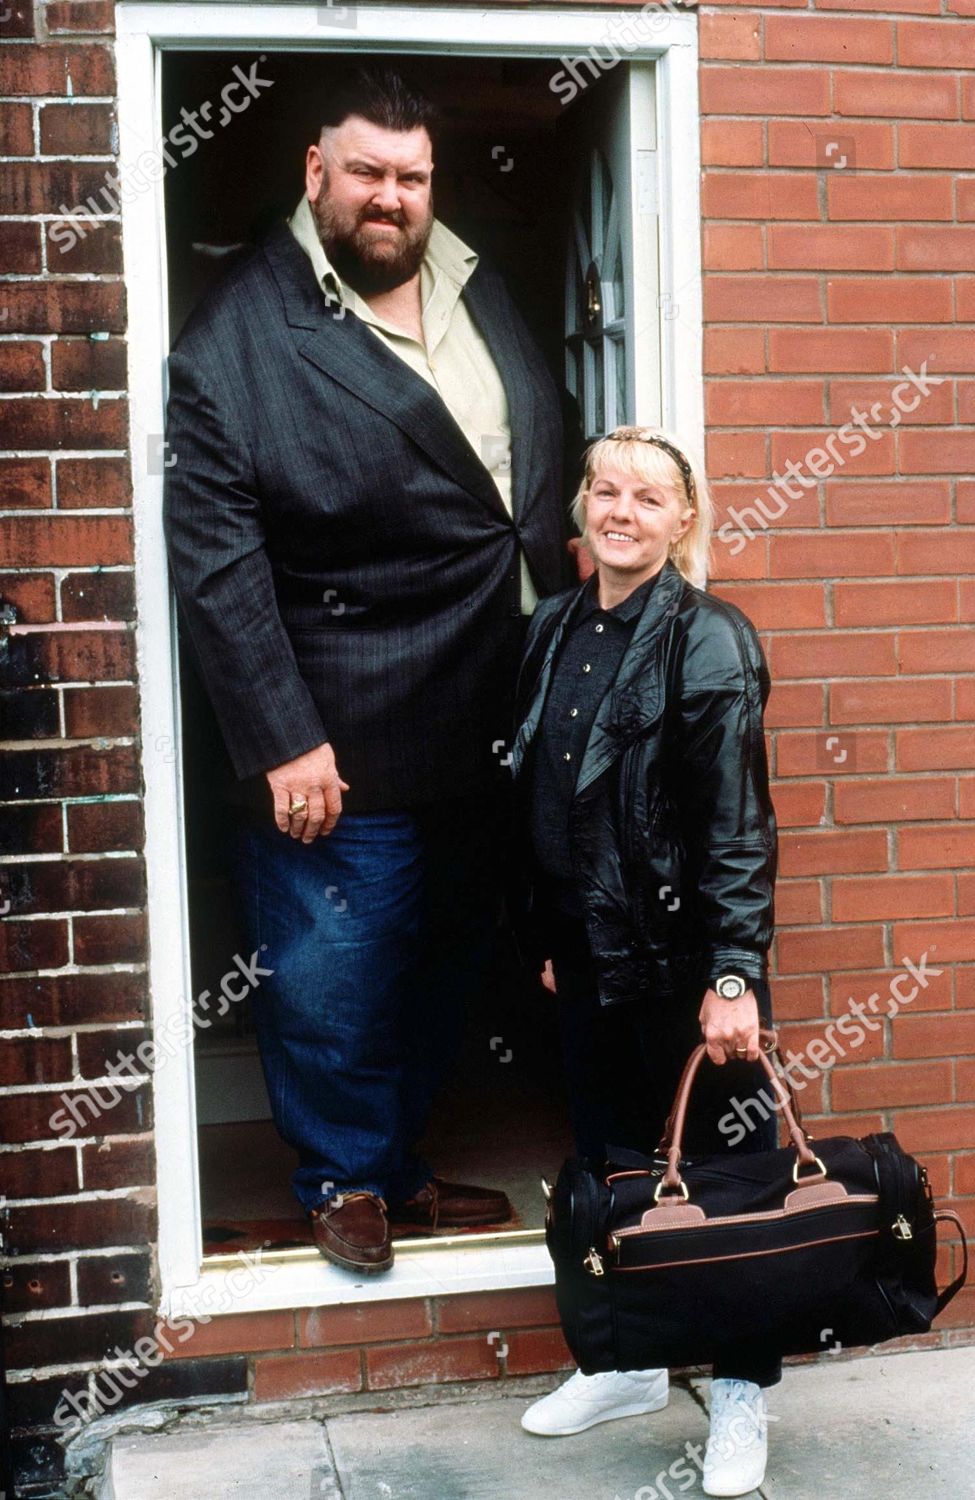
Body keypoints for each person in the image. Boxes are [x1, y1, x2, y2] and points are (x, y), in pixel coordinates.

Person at [163, 66, 575, 1273]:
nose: (392, 199)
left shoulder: (469, 275)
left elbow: (508, 473)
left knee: (447, 956)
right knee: (335, 977)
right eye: (367, 174)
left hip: (486, 700)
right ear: (315, 173)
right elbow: (218, 559)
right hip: (339, 726)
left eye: (411, 177)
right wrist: (283, 737)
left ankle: (398, 1167)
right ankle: (341, 1176)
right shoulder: (239, 331)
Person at [509, 425, 782, 1496]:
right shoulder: (552, 628)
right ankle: (627, 1364)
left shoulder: (708, 638)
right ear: (581, 507)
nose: (621, 511)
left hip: (681, 969)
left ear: (682, 520)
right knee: (611, 1163)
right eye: (604, 490)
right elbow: (537, 789)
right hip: (583, 955)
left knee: (723, 1183)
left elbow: (737, 827)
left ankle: (740, 1397)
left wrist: (733, 975)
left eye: (647, 497)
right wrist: (543, 937)